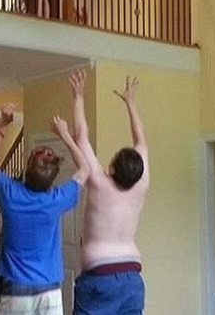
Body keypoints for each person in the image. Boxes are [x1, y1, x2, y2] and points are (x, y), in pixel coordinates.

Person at [0, 103, 89, 315]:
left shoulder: (9, 193)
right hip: (49, 289)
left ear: (27, 166)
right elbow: (85, 169)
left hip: (15, 289)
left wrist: (3, 124)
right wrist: (65, 135)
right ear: (53, 177)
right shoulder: (56, 200)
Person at [68, 69, 149, 315]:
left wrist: (79, 96)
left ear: (112, 168)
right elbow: (141, 140)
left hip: (99, 278)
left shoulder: (99, 183)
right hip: (133, 278)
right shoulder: (142, 182)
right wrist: (131, 103)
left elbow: (81, 137)